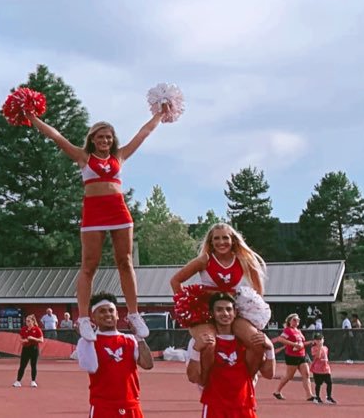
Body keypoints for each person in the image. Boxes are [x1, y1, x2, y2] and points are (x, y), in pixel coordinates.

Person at [24, 103, 167, 337]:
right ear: (92, 138)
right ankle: (82, 319)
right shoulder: (83, 157)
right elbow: (56, 136)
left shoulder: (119, 156)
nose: (105, 140)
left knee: (126, 261)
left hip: (119, 212)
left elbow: (144, 133)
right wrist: (32, 117)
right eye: (100, 136)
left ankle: (133, 313)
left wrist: (160, 114)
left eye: (109, 137)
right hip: (93, 214)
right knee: (89, 265)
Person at [170, 223, 272, 366]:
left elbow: (258, 291)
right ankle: (205, 382)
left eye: (225, 238)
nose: (221, 242)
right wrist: (187, 308)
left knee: (256, 343)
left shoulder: (243, 261)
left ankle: (247, 379)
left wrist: (251, 308)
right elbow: (175, 281)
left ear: (233, 240)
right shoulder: (204, 260)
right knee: (208, 344)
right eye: (216, 238)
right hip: (206, 314)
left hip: (231, 313)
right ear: (211, 241)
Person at [187, 292, 275, 417]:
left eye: (229, 309)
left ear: (235, 313)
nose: (225, 314)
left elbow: (269, 374)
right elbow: (193, 377)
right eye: (219, 310)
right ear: (212, 313)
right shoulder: (202, 341)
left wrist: (270, 348)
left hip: (245, 406)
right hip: (215, 407)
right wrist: (196, 349)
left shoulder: (247, 341)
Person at [76, 292, 153, 418]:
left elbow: (148, 364)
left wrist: (139, 337)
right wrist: (85, 337)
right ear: (93, 317)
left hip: (131, 406)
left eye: (111, 310)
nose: (107, 314)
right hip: (103, 408)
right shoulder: (89, 342)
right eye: (102, 311)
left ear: (117, 315)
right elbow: (90, 367)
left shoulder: (130, 340)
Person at [272, 313, 316, 402]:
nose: (296, 322)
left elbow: (301, 343)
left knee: (306, 374)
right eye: (294, 320)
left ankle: (309, 395)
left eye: (298, 320)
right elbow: (280, 339)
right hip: (292, 356)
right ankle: (277, 391)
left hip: (302, 355)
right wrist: (294, 344)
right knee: (289, 376)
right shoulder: (288, 330)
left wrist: (310, 342)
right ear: (289, 321)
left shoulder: (298, 331)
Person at [15, 314, 43, 388]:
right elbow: (20, 339)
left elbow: (41, 340)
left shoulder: (37, 329)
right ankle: (18, 381)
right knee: (22, 365)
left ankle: (33, 381)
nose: (27, 322)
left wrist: (33, 338)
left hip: (34, 349)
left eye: (29, 321)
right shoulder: (24, 329)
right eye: (26, 321)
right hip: (26, 349)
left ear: (33, 321)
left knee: (33, 365)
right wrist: (24, 340)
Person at [308, 332, 337, 404]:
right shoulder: (314, 348)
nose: (319, 341)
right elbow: (317, 356)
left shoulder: (326, 348)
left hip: (326, 369)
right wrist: (320, 347)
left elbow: (326, 357)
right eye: (317, 340)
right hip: (317, 369)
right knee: (318, 384)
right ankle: (317, 397)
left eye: (320, 339)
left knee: (329, 383)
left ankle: (329, 397)